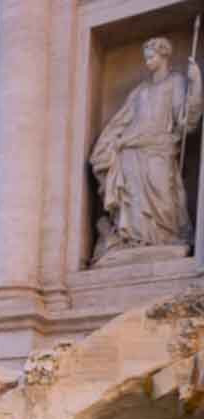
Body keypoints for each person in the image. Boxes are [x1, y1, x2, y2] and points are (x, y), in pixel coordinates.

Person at [90, 36, 203, 258]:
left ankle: (165, 237)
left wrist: (197, 82)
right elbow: (122, 120)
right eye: (146, 57)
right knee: (133, 199)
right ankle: (134, 239)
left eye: (151, 57)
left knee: (163, 195)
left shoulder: (176, 82)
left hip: (159, 148)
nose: (147, 61)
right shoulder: (140, 90)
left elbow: (185, 119)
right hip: (131, 150)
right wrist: (109, 144)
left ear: (163, 56)